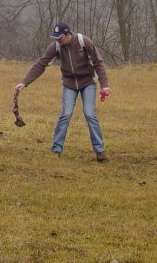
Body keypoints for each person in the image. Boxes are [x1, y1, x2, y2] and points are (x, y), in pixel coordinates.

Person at [15, 22, 111, 162]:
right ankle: (56, 150)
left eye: (60, 37)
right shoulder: (56, 46)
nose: (57, 40)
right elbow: (41, 64)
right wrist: (25, 82)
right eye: (55, 38)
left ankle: (100, 151)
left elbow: (98, 62)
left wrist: (104, 85)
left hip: (87, 82)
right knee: (65, 114)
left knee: (90, 114)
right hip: (69, 83)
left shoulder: (83, 41)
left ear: (67, 35)